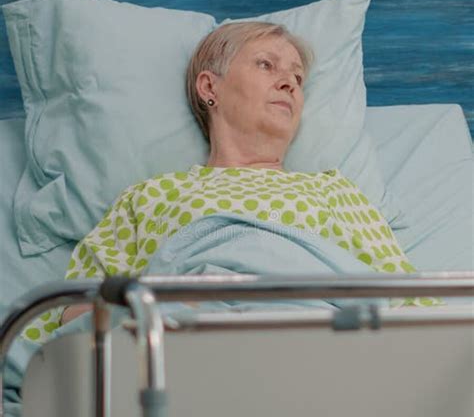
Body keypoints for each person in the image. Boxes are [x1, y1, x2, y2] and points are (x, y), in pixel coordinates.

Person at [24, 21, 425, 343]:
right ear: (209, 87)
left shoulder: (335, 191)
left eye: (298, 78)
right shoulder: (150, 196)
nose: (289, 83)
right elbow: (70, 318)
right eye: (267, 65)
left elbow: (407, 305)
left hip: (322, 345)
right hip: (191, 351)